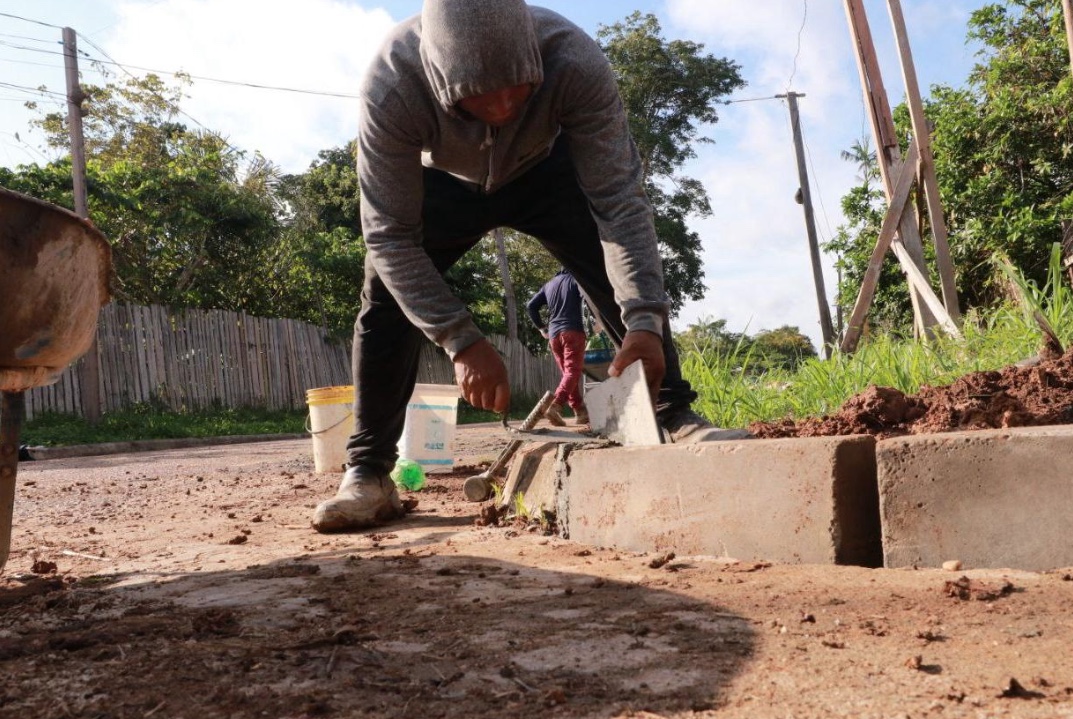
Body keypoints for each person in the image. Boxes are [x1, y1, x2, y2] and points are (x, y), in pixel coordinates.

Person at [312, 0, 720, 533]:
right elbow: (389, 236)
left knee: (603, 256)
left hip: (543, 169)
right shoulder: (394, 83)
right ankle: (368, 470)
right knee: (384, 300)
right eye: (480, 97)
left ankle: (671, 413)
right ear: (440, 77)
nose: (503, 108)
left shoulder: (572, 60)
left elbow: (619, 203)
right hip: (441, 182)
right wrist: (461, 339)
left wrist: (644, 320)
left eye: (518, 90)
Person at [527, 269, 588, 426]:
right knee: (573, 372)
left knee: (569, 374)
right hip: (573, 330)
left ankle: (580, 411)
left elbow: (531, 306)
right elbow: (590, 300)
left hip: (554, 335)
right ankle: (556, 405)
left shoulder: (549, 285)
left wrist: (541, 328)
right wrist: (598, 323)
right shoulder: (577, 279)